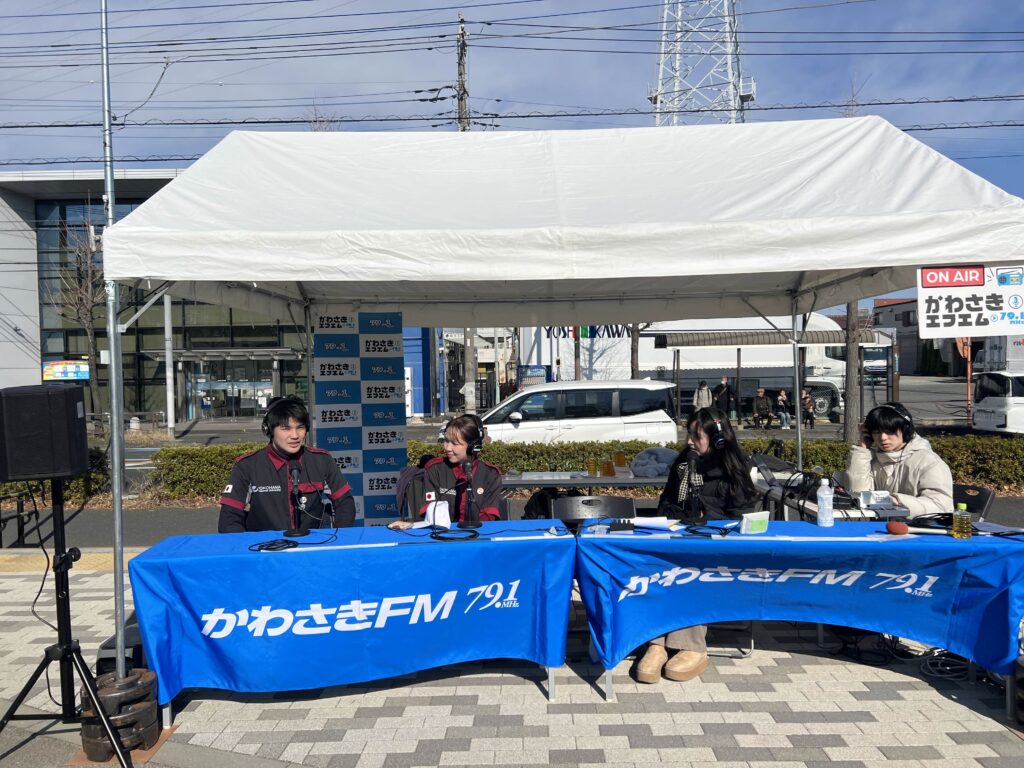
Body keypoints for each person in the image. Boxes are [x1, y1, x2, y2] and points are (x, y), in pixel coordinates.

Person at [637, 407, 759, 684]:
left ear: (716, 439)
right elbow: (665, 502)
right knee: (658, 570)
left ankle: (689, 646)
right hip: (679, 542)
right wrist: (674, 515)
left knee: (687, 574)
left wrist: (707, 518)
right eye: (688, 435)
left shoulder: (734, 469)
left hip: (717, 552)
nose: (689, 442)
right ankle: (657, 644)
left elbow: (742, 517)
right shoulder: (683, 464)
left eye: (697, 437)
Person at [218, 396, 356, 533]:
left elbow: (345, 503)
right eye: (286, 428)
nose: (295, 435)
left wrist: (339, 539)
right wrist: (247, 546)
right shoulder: (247, 465)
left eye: (300, 427)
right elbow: (229, 519)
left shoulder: (321, 460)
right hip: (265, 545)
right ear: (269, 429)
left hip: (312, 543)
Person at [842, 402, 953, 517]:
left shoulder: (929, 462)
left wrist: (899, 501)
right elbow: (856, 494)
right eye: (877, 432)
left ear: (906, 430)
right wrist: (862, 449)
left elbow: (941, 506)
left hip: (917, 526)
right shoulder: (869, 459)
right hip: (878, 526)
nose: (883, 437)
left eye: (889, 431)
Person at [391, 414, 503, 528]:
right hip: (443, 534)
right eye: (446, 441)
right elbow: (432, 515)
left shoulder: (491, 474)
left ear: (473, 446)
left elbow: (488, 519)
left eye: (455, 443)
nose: (447, 448)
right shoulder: (435, 470)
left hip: (479, 535)